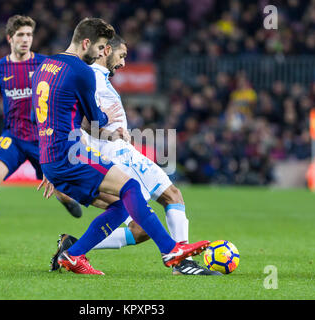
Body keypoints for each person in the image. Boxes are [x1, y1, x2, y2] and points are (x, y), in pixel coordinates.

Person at [32, 17, 210, 275]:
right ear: (86, 43)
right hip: (72, 154)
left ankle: (73, 252)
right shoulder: (82, 71)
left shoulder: (46, 64)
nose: (101, 52)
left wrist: (47, 161)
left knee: (123, 205)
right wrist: (110, 130)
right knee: (130, 189)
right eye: (100, 47)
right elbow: (93, 119)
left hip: (54, 155)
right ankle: (172, 252)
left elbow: (42, 114)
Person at [0, 15, 81, 253]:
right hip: (14, 138)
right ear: (10, 38)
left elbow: (62, 97)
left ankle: (65, 197)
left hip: (44, 140)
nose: (26, 39)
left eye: (29, 34)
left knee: (60, 189)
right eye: (20, 35)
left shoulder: (44, 65)